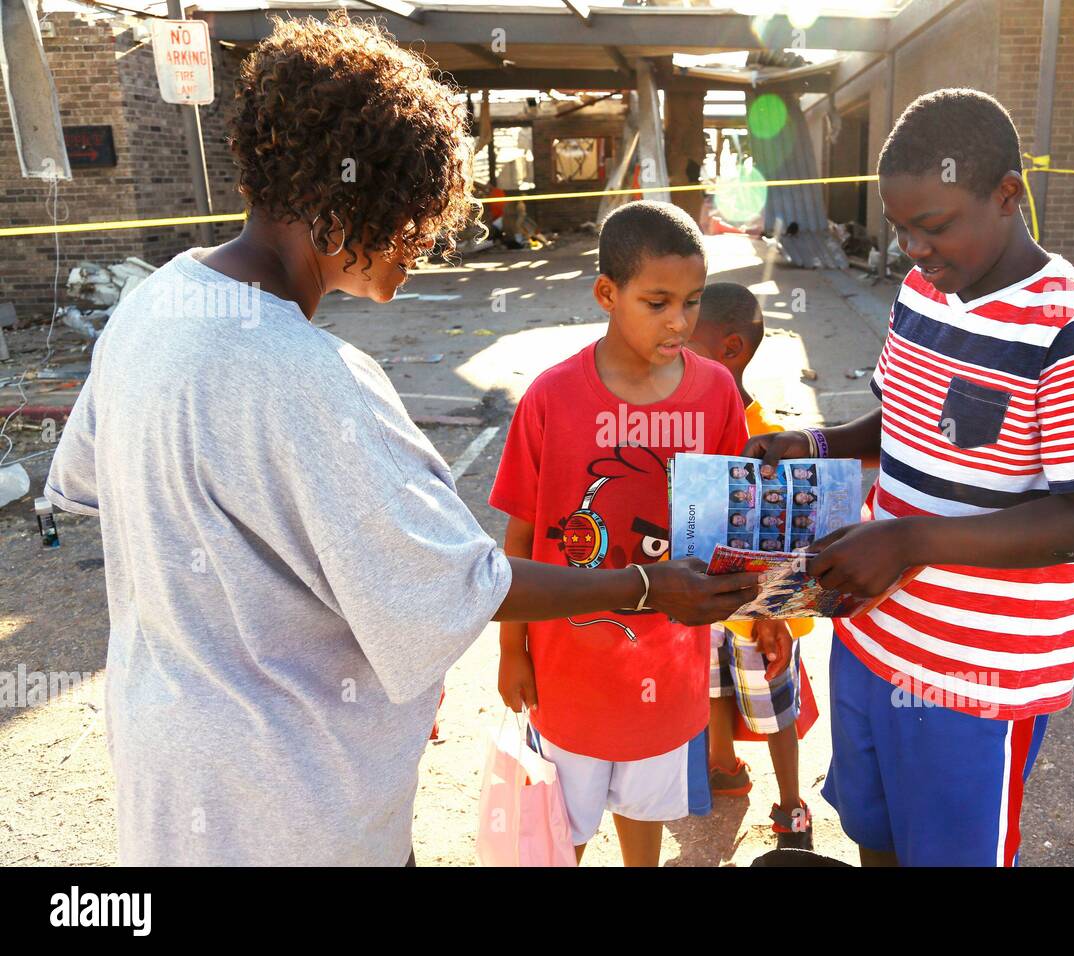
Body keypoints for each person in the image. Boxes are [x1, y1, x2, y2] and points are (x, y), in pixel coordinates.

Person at [42, 14, 758, 867]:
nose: (423, 246)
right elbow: (463, 582)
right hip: (298, 804)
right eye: (417, 218)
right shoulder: (314, 378)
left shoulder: (149, 309)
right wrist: (645, 586)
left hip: (169, 779)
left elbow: (90, 482)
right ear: (351, 202)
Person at [746, 89, 1074, 867]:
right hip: (870, 637)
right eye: (901, 229)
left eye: (935, 226)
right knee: (874, 834)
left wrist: (908, 540)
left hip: (974, 679)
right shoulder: (925, 290)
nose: (915, 249)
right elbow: (897, 425)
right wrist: (812, 442)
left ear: (1006, 195)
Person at [491, 201, 791, 867]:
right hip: (568, 671)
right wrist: (513, 652)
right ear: (607, 293)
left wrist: (765, 613)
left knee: (644, 813)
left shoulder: (716, 395)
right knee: (557, 827)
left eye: (690, 302)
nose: (679, 321)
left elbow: (732, 528)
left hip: (669, 669)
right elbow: (519, 539)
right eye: (657, 302)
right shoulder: (550, 398)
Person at [687, 281, 815, 849]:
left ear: (730, 350)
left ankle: (791, 804)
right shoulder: (685, 425)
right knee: (709, 688)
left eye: (687, 346)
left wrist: (775, 612)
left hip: (757, 610)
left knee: (774, 701)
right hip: (697, 598)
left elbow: (790, 542)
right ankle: (723, 767)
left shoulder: (765, 440)